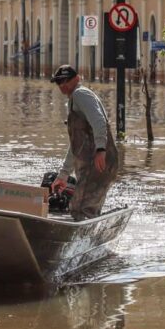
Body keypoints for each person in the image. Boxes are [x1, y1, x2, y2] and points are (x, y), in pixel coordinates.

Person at [51, 65, 118, 221]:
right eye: (59, 82)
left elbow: (99, 121)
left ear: (77, 79)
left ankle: (81, 240)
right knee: (86, 207)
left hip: (97, 163)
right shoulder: (75, 100)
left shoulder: (81, 95)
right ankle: (91, 234)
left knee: (81, 209)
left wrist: (101, 150)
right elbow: (75, 146)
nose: (62, 85)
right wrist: (64, 174)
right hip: (91, 165)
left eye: (66, 81)